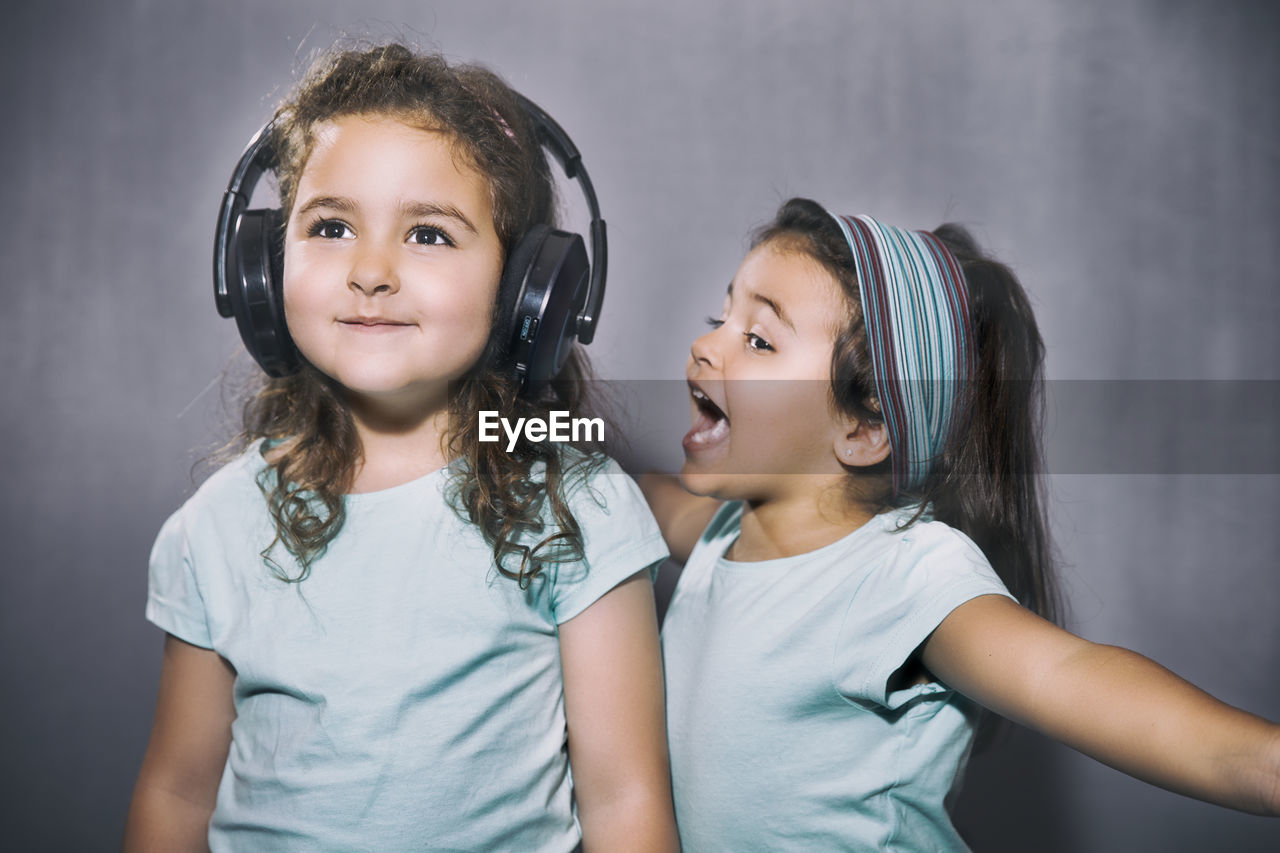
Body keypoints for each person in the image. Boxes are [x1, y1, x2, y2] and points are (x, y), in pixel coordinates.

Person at [124, 44, 678, 852]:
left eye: (427, 234)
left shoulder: (579, 506)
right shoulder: (218, 524)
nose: (371, 270)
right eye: (333, 226)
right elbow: (175, 793)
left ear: (528, 287)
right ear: (260, 269)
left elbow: (626, 799)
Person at [643, 197, 1280, 850]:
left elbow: (1070, 673)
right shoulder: (720, 535)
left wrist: (1265, 765)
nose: (704, 345)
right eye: (720, 318)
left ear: (864, 429)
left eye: (758, 339)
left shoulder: (902, 576)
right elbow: (623, 492)